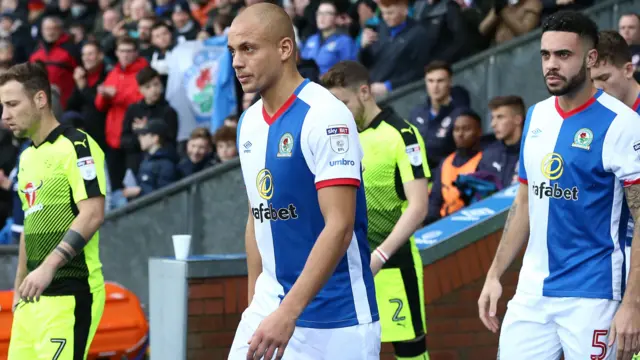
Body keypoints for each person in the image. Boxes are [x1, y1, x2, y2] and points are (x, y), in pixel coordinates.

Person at [477, 11, 640, 360]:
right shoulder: (536, 116)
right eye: (545, 55)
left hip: (594, 294)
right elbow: (524, 200)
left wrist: (632, 303)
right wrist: (494, 274)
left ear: (590, 58)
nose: (552, 64)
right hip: (532, 292)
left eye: (563, 55)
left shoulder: (624, 125)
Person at [227, 3, 380, 360]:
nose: (237, 61)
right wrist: (255, 308)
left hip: (336, 322)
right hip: (270, 309)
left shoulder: (326, 115)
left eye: (248, 48)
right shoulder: (248, 122)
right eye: (233, 51)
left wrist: (288, 312)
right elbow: (257, 216)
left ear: (284, 49)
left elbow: (339, 226)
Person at [322, 60, 430, 360]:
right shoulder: (338, 137)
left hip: (392, 263)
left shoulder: (402, 135)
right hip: (346, 266)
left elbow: (419, 205)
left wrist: (380, 256)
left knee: (409, 353)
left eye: (343, 102)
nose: (339, 111)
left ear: (365, 92)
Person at [1, 62, 106, 360]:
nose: (5, 115)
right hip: (32, 299)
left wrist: (48, 267)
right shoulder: (27, 157)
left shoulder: (77, 145)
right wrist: (19, 284)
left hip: (69, 293)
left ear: (40, 99)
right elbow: (29, 224)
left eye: (11, 104)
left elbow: (93, 213)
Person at [590, 30, 640, 286]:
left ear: (629, 70)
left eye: (604, 78)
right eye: (592, 81)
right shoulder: (596, 119)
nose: (598, 89)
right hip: (609, 251)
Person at [425, 110, 483, 225]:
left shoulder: (483, 160)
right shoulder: (446, 162)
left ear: (479, 132)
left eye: (466, 129)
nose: (460, 134)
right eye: (456, 129)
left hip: (468, 222)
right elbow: (435, 200)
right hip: (443, 223)